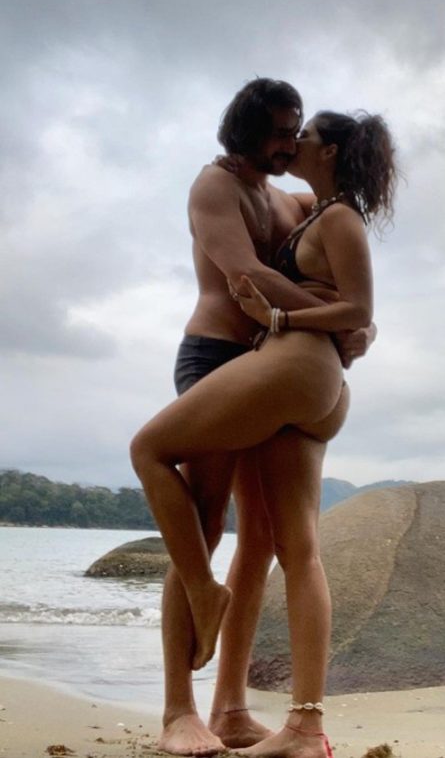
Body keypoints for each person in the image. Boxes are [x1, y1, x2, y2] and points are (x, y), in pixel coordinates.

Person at [131, 107, 396, 758]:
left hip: (286, 369)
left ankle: (209, 634)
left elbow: (349, 292)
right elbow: (253, 273)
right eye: (281, 131)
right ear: (249, 132)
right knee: (262, 542)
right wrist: (342, 320)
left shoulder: (312, 206)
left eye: (300, 132)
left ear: (327, 152)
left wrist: (335, 321)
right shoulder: (232, 188)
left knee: (153, 454)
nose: (291, 141)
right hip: (271, 369)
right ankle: (253, 718)